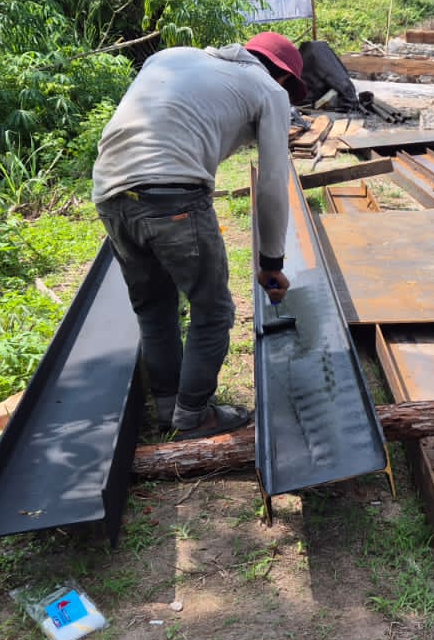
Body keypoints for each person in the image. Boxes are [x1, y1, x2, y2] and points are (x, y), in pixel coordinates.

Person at [92, 33, 307, 439]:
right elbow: (273, 183)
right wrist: (271, 262)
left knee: (154, 307)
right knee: (213, 311)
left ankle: (169, 407)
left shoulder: (171, 57)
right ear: (281, 75)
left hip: (108, 192)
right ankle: (194, 416)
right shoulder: (269, 90)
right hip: (173, 196)